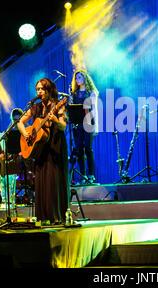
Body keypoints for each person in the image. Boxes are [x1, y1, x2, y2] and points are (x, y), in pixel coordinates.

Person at [17, 78, 68, 225]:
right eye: (37, 89)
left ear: (48, 90)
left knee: (53, 180)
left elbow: (63, 126)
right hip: (41, 148)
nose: (39, 92)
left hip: (55, 146)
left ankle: (57, 217)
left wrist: (56, 121)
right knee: (42, 181)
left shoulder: (58, 106)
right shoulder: (36, 107)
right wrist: (25, 134)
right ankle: (44, 217)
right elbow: (19, 121)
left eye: (41, 89)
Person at [69, 69, 99, 184]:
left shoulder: (91, 92)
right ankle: (83, 176)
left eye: (80, 77)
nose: (77, 80)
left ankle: (91, 175)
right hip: (78, 124)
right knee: (79, 150)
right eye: (76, 78)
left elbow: (94, 109)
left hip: (89, 122)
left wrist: (96, 126)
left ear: (85, 78)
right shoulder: (74, 93)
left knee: (88, 148)